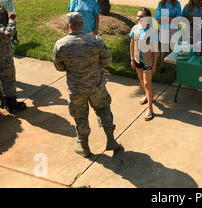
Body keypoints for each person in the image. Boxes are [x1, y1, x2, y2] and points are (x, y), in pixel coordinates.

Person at [53, 12, 123, 157]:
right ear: (82, 24)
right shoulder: (95, 40)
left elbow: (59, 67)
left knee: (80, 116)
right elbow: (107, 60)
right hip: (96, 86)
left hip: (76, 89)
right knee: (104, 111)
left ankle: (84, 147)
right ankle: (111, 140)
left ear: (68, 25)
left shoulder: (61, 44)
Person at [130, 8, 159, 121]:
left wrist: (155, 65)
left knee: (147, 83)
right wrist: (132, 58)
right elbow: (132, 44)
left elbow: (156, 51)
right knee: (141, 80)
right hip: (137, 60)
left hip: (148, 61)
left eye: (142, 16)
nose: (139, 18)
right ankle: (147, 96)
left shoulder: (152, 32)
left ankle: (150, 110)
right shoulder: (135, 28)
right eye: (138, 16)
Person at [155, 0, 182, 73]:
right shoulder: (161, 4)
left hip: (174, 29)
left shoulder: (177, 4)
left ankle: (176, 66)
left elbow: (178, 18)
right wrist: (171, 18)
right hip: (164, 29)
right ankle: (163, 66)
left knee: (176, 48)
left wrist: (166, 18)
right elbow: (158, 19)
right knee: (164, 48)